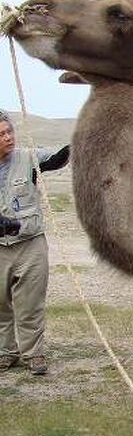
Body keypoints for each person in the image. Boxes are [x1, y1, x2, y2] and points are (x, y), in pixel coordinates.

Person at [0, 111, 70, 375]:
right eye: (1, 134)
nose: (8, 138)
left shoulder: (28, 157)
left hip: (30, 245)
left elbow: (58, 158)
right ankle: (6, 353)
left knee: (30, 303)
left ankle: (33, 354)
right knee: (0, 305)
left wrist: (79, 143)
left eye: (10, 132)